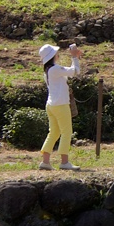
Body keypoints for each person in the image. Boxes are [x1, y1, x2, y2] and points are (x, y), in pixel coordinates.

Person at [38, 43, 84, 171]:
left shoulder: (48, 70)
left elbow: (70, 71)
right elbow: (75, 72)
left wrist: (75, 59)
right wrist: (74, 57)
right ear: (53, 55)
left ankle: (45, 161)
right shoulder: (55, 69)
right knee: (66, 132)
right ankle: (64, 162)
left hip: (51, 104)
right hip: (60, 104)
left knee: (54, 132)